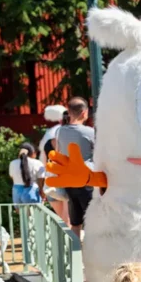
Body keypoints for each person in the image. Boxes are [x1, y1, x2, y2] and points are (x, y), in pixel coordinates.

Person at [56, 97, 95, 238]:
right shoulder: (89, 132)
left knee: (75, 223)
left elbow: (58, 152)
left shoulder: (60, 132)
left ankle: (75, 254)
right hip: (87, 181)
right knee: (92, 221)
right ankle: (93, 254)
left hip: (69, 180)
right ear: (84, 113)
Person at [38, 105, 69, 225]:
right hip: (67, 184)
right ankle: (68, 244)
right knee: (68, 222)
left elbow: (42, 165)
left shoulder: (48, 140)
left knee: (62, 221)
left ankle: (62, 243)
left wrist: (41, 188)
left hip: (50, 184)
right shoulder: (73, 140)